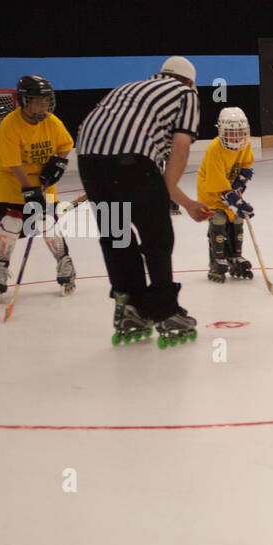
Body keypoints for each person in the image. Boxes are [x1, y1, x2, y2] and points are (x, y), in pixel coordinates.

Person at [76, 56, 211, 347]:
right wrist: (168, 192)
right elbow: (181, 147)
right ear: (189, 81)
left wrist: (186, 203)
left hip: (90, 163)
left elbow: (153, 168)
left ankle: (130, 308)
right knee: (156, 236)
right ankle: (166, 311)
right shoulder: (185, 93)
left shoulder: (129, 89)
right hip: (132, 164)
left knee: (116, 236)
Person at [0, 75, 75, 300]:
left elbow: (66, 144)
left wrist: (58, 162)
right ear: (24, 101)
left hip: (42, 181)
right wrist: (29, 190)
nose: (44, 106)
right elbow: (13, 163)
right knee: (12, 222)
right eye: (38, 101)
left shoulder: (51, 122)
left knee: (46, 222)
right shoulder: (10, 126)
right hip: (11, 181)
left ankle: (65, 263)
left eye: (46, 101)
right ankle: (0, 267)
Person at [196, 106, 255, 283]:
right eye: (231, 132)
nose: (236, 137)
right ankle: (217, 261)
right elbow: (221, 190)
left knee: (237, 219)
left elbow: (246, 169)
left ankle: (235, 257)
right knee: (219, 220)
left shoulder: (245, 144)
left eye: (240, 132)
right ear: (222, 131)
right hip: (211, 192)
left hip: (229, 190)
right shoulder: (215, 149)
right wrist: (237, 202)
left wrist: (239, 187)